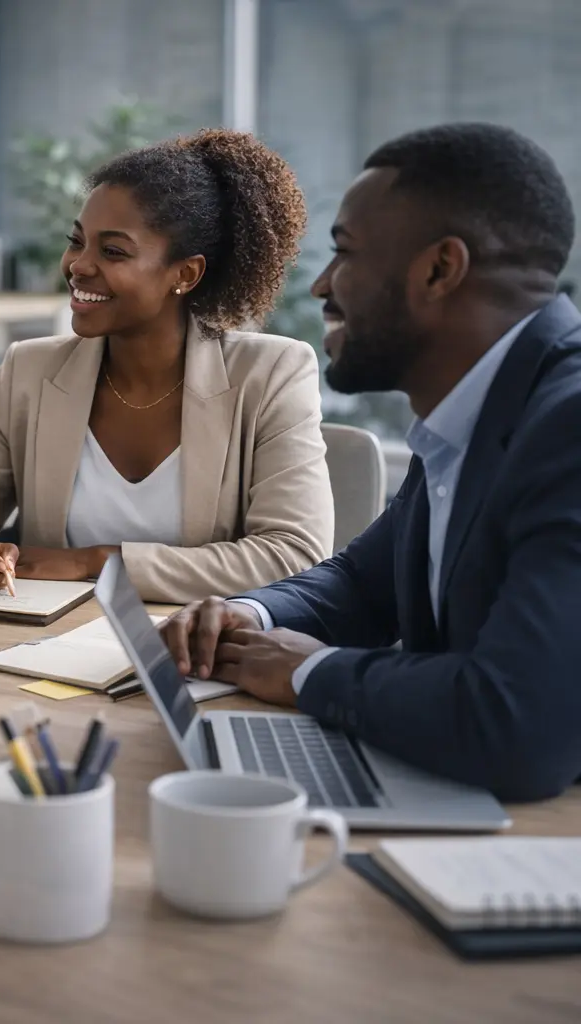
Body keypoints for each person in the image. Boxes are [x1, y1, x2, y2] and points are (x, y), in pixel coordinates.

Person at [161, 123, 581, 803]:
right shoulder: (479, 410)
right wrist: (250, 616)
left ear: (439, 270)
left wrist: (311, 673)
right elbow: (364, 582)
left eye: (345, 253)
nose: (322, 285)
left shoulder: (567, 426)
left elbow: (520, 725)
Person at [0, 129, 332, 604]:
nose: (78, 265)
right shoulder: (30, 370)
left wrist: (94, 562)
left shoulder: (272, 373)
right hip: (42, 636)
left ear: (185, 273)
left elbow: (292, 554)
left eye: (112, 251)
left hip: (194, 640)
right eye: (77, 242)